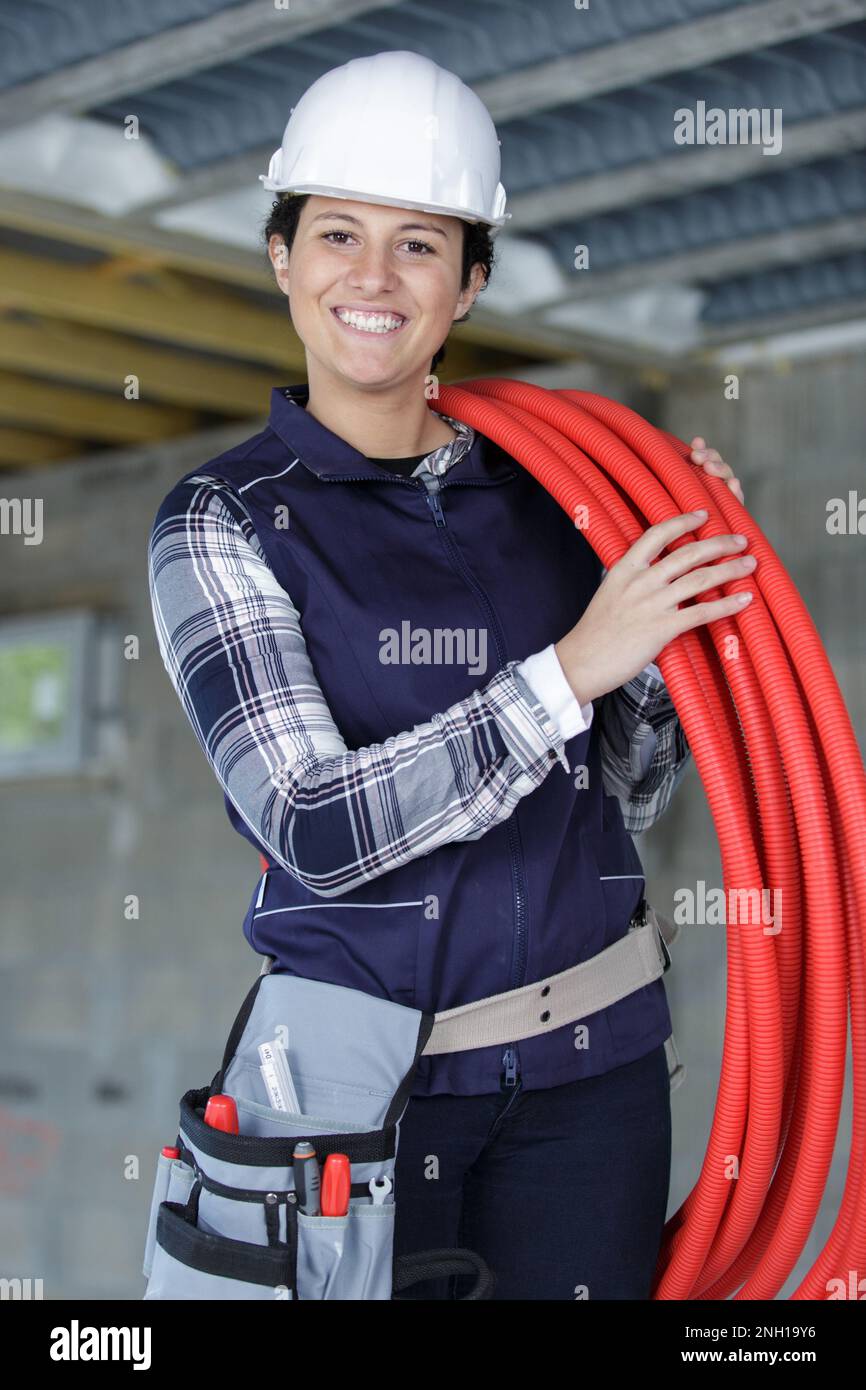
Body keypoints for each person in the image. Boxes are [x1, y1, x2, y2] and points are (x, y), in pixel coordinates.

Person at [147, 50, 750, 1300]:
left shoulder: (554, 494)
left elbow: (623, 796)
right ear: (282, 257)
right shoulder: (222, 521)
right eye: (337, 234)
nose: (371, 278)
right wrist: (569, 666)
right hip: (370, 1092)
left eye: (418, 245)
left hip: (596, 1072)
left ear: (469, 282)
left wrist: (664, 606)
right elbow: (313, 823)